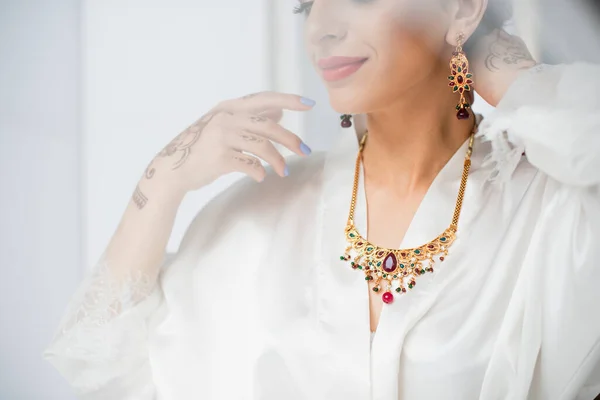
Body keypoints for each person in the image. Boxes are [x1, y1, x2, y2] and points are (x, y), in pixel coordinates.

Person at [43, 0, 600, 399]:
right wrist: (162, 180)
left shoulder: (551, 207)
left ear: (462, 9)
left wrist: (511, 73)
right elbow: (100, 364)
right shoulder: (256, 219)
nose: (323, 29)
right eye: (309, 3)